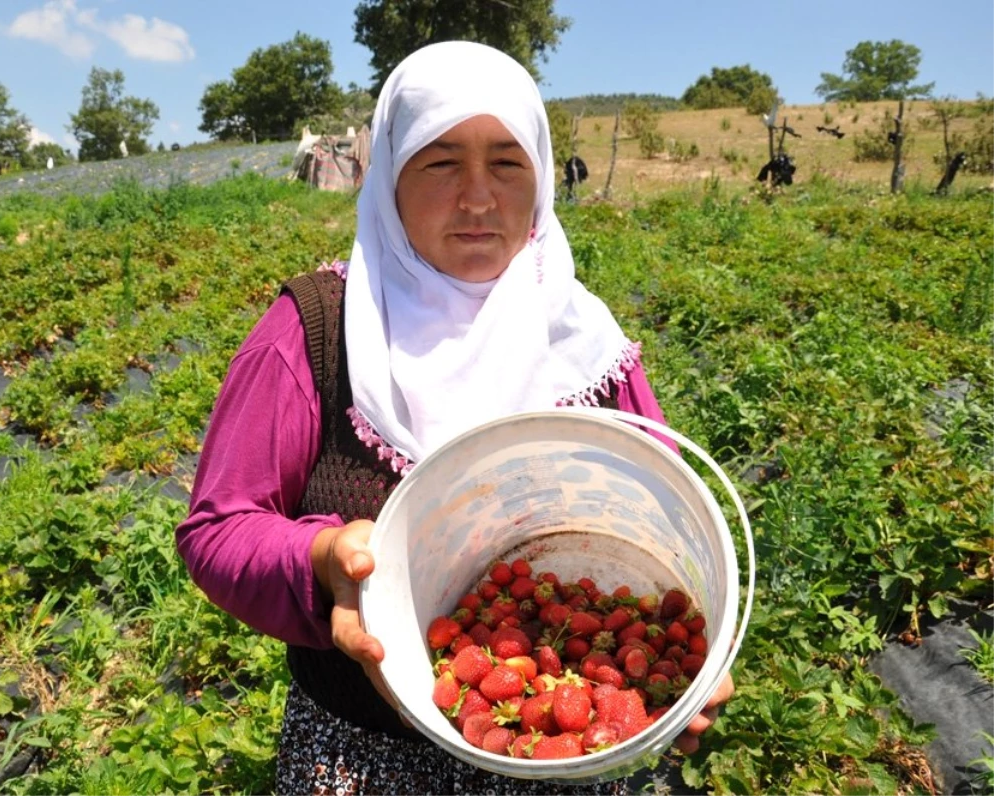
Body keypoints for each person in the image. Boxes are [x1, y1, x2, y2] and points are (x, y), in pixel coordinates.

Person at [176, 40, 734, 795]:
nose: (478, 197)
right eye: (440, 163)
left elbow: (669, 513)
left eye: (507, 162)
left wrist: (687, 669)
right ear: (387, 179)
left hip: (560, 765)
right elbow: (218, 527)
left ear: (540, 176)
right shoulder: (316, 329)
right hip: (360, 760)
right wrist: (324, 557)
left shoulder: (583, 342)